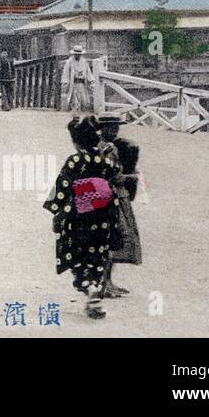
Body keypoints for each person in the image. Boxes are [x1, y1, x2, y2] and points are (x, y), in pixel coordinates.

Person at [43, 115, 121, 320]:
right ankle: (94, 288)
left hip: (79, 217)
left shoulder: (75, 161)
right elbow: (115, 175)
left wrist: (56, 210)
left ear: (77, 142)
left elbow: (62, 187)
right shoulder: (106, 161)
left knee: (77, 256)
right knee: (97, 255)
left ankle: (89, 288)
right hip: (103, 215)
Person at [96, 115, 142, 298]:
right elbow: (113, 176)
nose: (114, 131)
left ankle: (107, 282)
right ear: (102, 129)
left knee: (114, 240)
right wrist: (132, 177)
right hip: (108, 198)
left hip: (115, 197)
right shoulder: (103, 148)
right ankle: (103, 284)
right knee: (109, 240)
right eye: (111, 128)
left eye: (116, 128)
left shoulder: (109, 146)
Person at [60, 45, 95, 113]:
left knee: (84, 100)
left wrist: (91, 81)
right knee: (74, 100)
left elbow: (88, 72)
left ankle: (82, 112)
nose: (77, 56)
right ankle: (75, 113)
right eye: (76, 54)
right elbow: (66, 72)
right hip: (73, 84)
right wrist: (65, 82)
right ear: (73, 54)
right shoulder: (69, 62)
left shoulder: (84, 62)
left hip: (82, 83)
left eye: (79, 54)